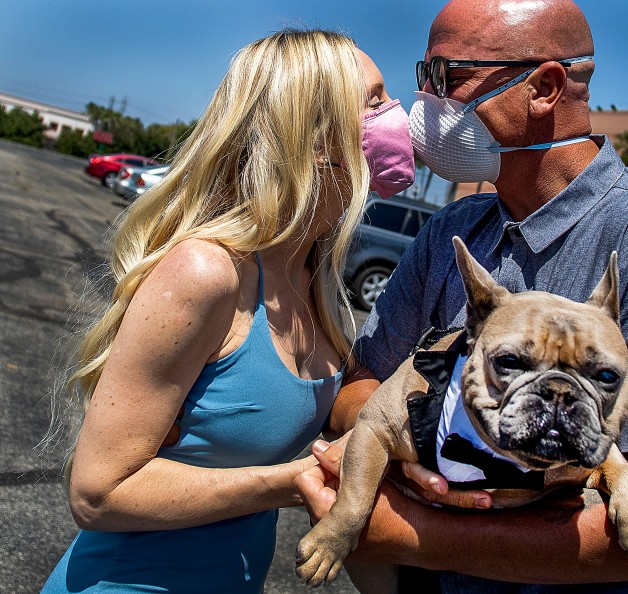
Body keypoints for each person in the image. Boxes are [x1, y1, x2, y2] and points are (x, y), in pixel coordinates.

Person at [296, 1, 628, 592]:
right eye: (424, 77)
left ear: (543, 87)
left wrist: (415, 531)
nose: (428, 104)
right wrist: (419, 453)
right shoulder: (452, 231)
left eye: (448, 77)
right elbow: (360, 390)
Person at [42, 29, 415, 593]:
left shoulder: (311, 278)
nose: (397, 115)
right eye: (374, 100)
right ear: (316, 137)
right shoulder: (206, 272)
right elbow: (97, 493)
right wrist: (292, 482)